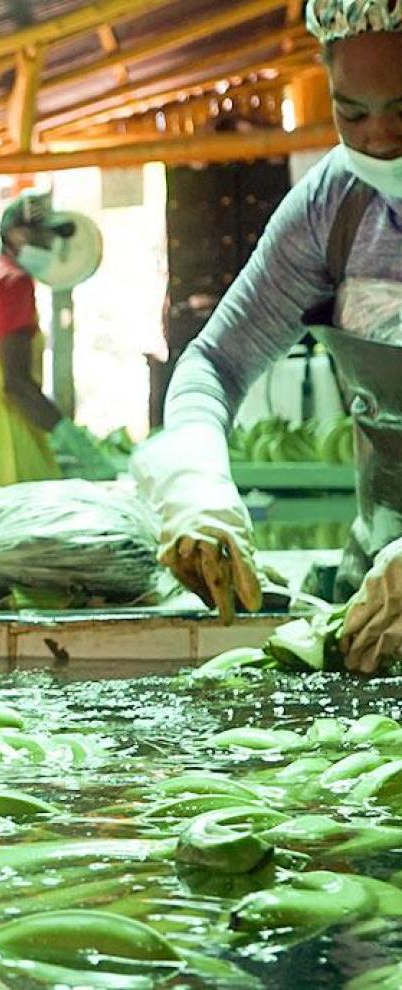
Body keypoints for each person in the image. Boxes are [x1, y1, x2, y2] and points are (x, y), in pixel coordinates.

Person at [132, 0, 402, 673]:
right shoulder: (333, 208)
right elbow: (216, 362)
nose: (380, 137)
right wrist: (196, 481)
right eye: (352, 111)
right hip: (377, 597)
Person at [0, 190, 115, 486]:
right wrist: (75, 444)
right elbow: (15, 384)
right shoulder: (14, 283)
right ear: (16, 236)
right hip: (2, 446)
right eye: (44, 236)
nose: (53, 246)